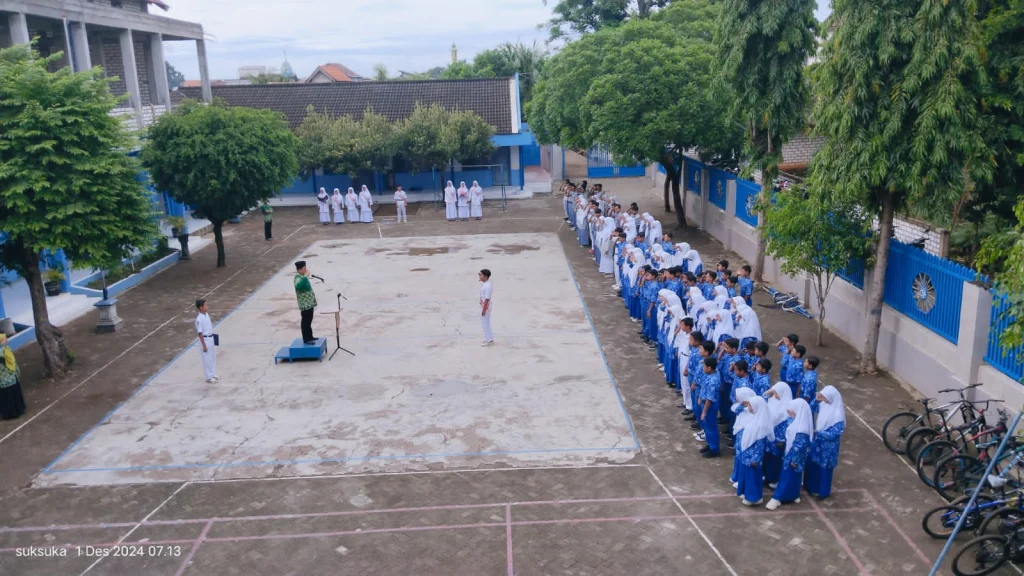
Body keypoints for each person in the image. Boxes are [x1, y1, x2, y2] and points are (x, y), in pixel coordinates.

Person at [766, 398, 814, 510]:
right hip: (790, 454)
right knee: (794, 476)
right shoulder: (795, 420)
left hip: (794, 457)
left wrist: (794, 460)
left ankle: (777, 498)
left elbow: (799, 447)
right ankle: (794, 495)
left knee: (787, 476)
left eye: (792, 410)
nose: (789, 411)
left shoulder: (803, 429)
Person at [805, 386, 846, 499]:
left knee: (824, 466)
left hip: (829, 446)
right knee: (814, 463)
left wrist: (819, 433)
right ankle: (811, 487)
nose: (824, 399)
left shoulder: (838, 414)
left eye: (826, 397)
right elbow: (811, 408)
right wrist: (816, 399)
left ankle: (821, 490)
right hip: (818, 441)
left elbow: (835, 433)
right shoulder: (824, 405)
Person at [736, 395, 772, 506]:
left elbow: (760, 445)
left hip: (753, 458)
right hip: (747, 454)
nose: (749, 407)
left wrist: (755, 459)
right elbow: (737, 410)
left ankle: (753, 498)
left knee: (753, 477)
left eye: (751, 405)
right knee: (747, 476)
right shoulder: (755, 417)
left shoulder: (761, 425)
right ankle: (747, 494)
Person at [763, 382, 794, 487]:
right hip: (769, 438)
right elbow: (762, 399)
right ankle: (767, 476)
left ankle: (774, 479)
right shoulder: (773, 401)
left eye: (776, 392)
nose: (774, 394)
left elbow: (787, 426)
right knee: (767, 457)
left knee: (775, 460)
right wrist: (769, 392)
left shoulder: (788, 409)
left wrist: (781, 440)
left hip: (778, 440)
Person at [698, 356, 721, 458]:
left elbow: (710, 399)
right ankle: (710, 443)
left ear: (709, 368)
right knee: (707, 427)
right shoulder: (709, 375)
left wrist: (704, 412)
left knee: (711, 427)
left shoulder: (713, 380)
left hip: (710, 406)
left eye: (704, 366)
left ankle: (714, 449)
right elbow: (704, 386)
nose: (703, 368)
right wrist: (700, 397)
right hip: (705, 402)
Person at [0, 334, 26, 420]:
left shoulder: (5, 349)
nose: (6, 340)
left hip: (7, 378)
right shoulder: (4, 350)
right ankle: (13, 412)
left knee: (10, 394)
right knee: (10, 395)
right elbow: (7, 359)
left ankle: (14, 411)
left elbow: (12, 361)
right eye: (5, 339)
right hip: (7, 377)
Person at [194, 299, 218, 383]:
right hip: (205, 339)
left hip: (211, 338)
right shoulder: (199, 319)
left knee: (212, 357)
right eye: (206, 305)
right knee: (207, 359)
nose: (207, 306)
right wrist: (204, 345)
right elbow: (200, 333)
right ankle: (208, 377)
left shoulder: (206, 314)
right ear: (201, 307)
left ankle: (213, 374)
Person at [294, 261, 318, 345]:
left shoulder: (302, 277)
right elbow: (299, 286)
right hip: (305, 304)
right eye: (304, 268)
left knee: (309, 320)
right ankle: (306, 339)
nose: (306, 269)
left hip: (309, 304)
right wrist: (305, 277)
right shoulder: (298, 278)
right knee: (305, 321)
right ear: (299, 269)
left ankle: (310, 336)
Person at [479, 269, 494, 346]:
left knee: (485, 323)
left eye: (481, 275)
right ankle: (488, 338)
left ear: (486, 276)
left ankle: (489, 340)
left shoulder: (488, 286)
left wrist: (484, 310)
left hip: (486, 307)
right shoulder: (485, 283)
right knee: (485, 323)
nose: (479, 276)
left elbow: (487, 299)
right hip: (483, 305)